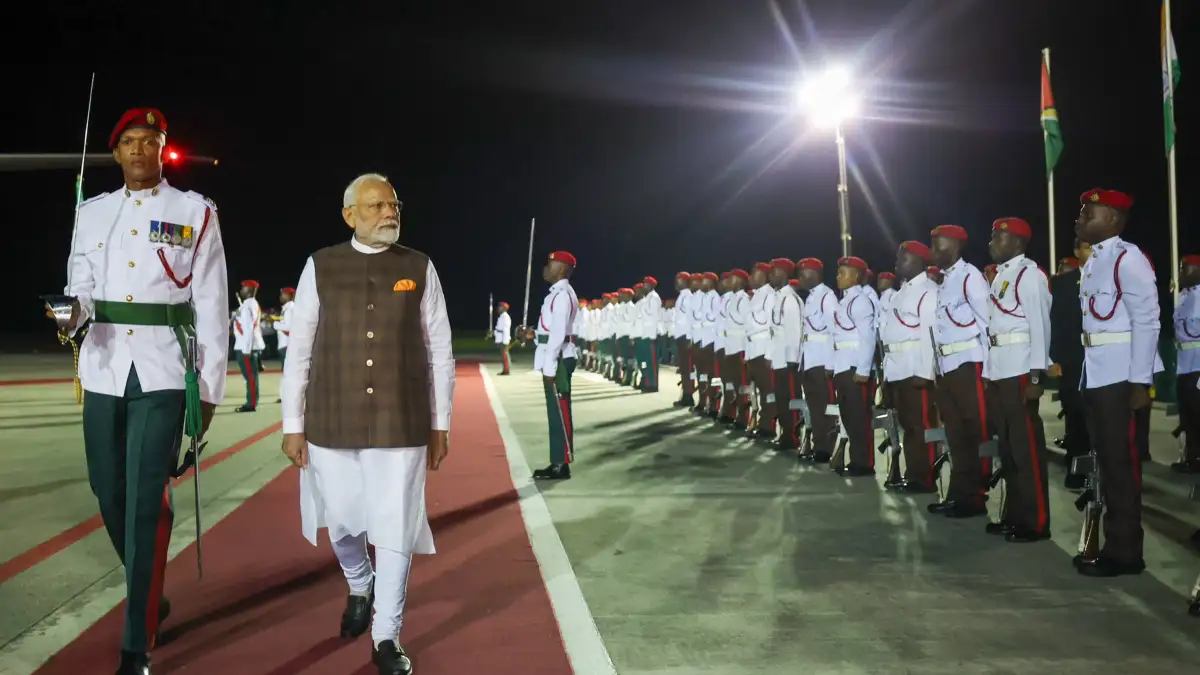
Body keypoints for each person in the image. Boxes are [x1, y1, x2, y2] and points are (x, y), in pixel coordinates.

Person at [53, 107, 228, 675]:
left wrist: (207, 390)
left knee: (144, 498)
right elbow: (80, 283)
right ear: (115, 151)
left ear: (163, 149)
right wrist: (69, 312)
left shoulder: (193, 212)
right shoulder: (92, 212)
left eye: (148, 142)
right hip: (103, 366)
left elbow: (211, 302)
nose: (137, 151)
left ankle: (137, 641)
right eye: (128, 142)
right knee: (107, 488)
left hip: (161, 371)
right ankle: (148, 586)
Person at [280, 173, 454, 674]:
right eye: (376, 205)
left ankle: (386, 635)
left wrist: (440, 422)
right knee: (342, 519)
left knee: (395, 522)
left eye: (393, 204)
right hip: (332, 417)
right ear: (349, 214)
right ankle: (359, 580)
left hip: (402, 420)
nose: (389, 213)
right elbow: (300, 348)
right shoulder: (322, 265)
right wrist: (293, 422)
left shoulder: (419, 267)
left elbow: (440, 348)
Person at [1074, 187, 1158, 577]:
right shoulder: (1094, 263)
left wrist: (1140, 383)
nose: (1079, 219)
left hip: (1121, 376)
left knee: (1122, 466)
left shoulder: (1129, 259)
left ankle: (1125, 553)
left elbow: (1147, 321)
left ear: (1111, 218)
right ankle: (1113, 544)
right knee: (1107, 463)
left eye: (1087, 212)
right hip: (1098, 371)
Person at [984, 218, 1052, 542]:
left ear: (1019, 243)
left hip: (1021, 370)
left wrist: (1037, 376)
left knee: (1026, 451)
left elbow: (1040, 327)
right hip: (999, 369)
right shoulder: (1001, 277)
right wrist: (987, 372)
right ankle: (1015, 514)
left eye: (1000, 236)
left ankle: (1035, 521)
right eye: (993, 236)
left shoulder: (1029, 276)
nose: (993, 241)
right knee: (1008, 450)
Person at [929, 224, 992, 519]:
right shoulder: (945, 281)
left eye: (937, 246)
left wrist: (990, 369)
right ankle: (959, 493)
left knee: (974, 431)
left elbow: (986, 323)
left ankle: (976, 496)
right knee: (955, 435)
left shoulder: (971, 277)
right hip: (947, 367)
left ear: (953, 247)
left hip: (969, 363)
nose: (933, 251)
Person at [881, 241, 940, 493]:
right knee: (907, 425)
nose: (897, 262)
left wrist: (926, 372)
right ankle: (912, 473)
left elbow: (929, 334)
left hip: (915, 367)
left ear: (918, 261)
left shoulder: (927, 290)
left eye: (903, 258)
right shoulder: (901, 291)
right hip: (897, 367)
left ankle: (923, 478)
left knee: (920, 426)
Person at [530, 251, 580, 480]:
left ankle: (562, 463)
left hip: (558, 360)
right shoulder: (556, 294)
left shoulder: (562, 295)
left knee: (559, 412)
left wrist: (549, 366)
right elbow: (549, 329)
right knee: (555, 411)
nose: (545, 268)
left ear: (561, 269)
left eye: (550, 264)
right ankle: (557, 461)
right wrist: (532, 334)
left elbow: (558, 335)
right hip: (554, 358)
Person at [830, 256, 878, 475]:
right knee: (848, 416)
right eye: (839, 273)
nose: (838, 277)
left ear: (856, 276)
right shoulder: (845, 301)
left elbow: (868, 337)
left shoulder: (860, 301)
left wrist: (863, 370)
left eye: (843, 273)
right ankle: (857, 459)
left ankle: (864, 462)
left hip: (854, 367)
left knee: (859, 417)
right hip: (842, 365)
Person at [1049, 245, 1090, 488]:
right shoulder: (1064, 283)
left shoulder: (1115, 276)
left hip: (1106, 360)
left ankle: (1104, 473)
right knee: (1075, 416)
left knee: (1103, 420)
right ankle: (1076, 468)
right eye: (1086, 247)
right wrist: (1054, 358)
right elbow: (1057, 322)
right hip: (1074, 360)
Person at [798, 258, 837, 462]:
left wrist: (830, 365)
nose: (800, 279)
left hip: (822, 360)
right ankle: (818, 444)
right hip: (810, 358)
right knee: (814, 405)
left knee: (825, 406)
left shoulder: (826, 297)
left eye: (803, 274)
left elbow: (833, 331)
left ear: (814, 273)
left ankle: (827, 448)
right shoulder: (812, 297)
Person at [769, 258, 804, 451]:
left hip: (787, 359)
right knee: (781, 398)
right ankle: (785, 434)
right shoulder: (779, 296)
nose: (771, 275)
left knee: (790, 398)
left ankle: (792, 436)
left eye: (774, 272)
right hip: (779, 356)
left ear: (783, 274)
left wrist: (792, 358)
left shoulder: (790, 298)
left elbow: (793, 331)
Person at [1173, 255, 1200, 473]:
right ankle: (1192, 458)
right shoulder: (1184, 296)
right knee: (1188, 415)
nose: (1180, 274)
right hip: (1184, 364)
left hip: (1198, 364)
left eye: (1185, 269)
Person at [232, 280, 262, 412]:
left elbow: (249, 329)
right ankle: (252, 401)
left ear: (249, 290)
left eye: (244, 287)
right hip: (245, 345)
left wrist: (246, 349)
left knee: (250, 377)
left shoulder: (248, 306)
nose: (242, 289)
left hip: (245, 347)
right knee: (251, 377)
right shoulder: (248, 305)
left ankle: (251, 403)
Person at [672, 272, 696, 407]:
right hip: (680, 335)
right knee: (684, 368)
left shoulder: (688, 297)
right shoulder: (682, 296)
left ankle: (688, 395)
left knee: (687, 368)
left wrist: (689, 337)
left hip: (685, 336)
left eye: (679, 280)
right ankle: (685, 393)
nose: (677, 283)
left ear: (686, 282)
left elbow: (690, 318)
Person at [639, 276, 663, 392]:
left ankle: (653, 385)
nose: (644, 286)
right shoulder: (647, 298)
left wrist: (651, 335)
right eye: (644, 284)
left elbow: (653, 318)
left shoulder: (654, 298)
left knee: (652, 361)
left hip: (651, 334)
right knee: (647, 360)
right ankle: (647, 381)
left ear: (652, 286)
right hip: (646, 333)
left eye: (646, 284)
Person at [274, 286, 296, 402]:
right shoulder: (286, 308)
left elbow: (289, 328)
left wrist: (275, 324)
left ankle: (288, 396)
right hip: (284, 344)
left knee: (288, 373)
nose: (281, 296)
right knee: (286, 372)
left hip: (287, 345)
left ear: (290, 296)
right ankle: (285, 395)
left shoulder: (290, 308)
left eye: (283, 294)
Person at [494, 301, 513, 375]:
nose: (498, 308)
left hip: (503, 339)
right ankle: (505, 369)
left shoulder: (505, 317)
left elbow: (505, 329)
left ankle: (506, 370)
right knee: (503, 355)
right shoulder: (502, 316)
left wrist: (504, 340)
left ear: (504, 308)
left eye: (500, 307)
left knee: (505, 355)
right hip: (501, 338)